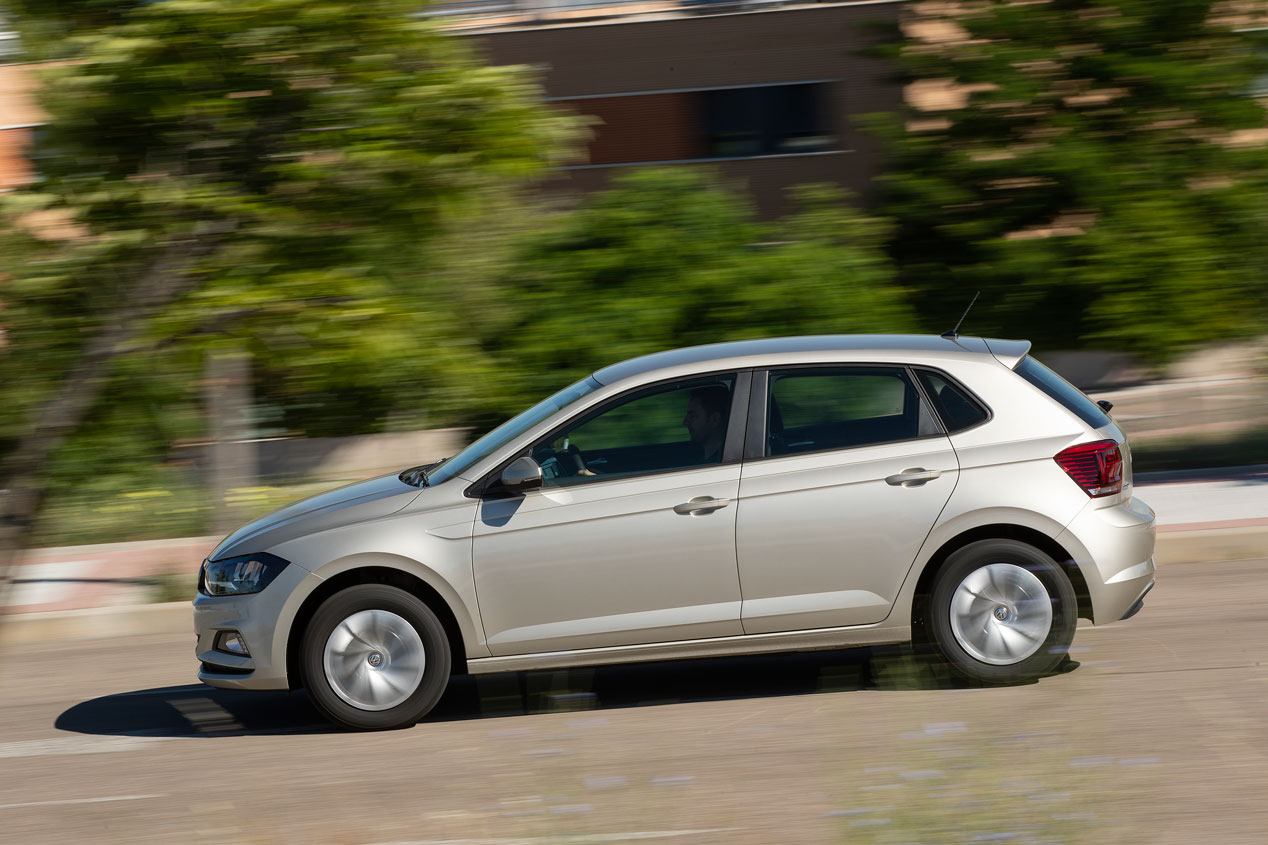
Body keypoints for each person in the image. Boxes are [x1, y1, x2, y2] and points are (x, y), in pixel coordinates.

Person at [683, 385, 729, 463]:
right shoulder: (706, 462)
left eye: (693, 416)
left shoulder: (720, 465)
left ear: (715, 420)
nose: (684, 422)